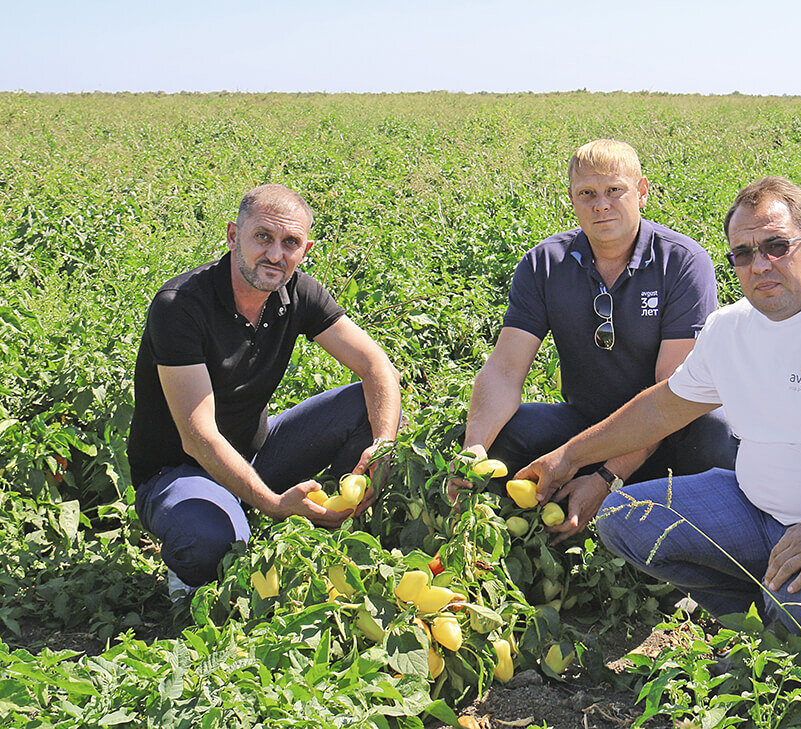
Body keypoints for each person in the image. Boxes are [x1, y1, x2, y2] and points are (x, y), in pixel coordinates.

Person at [518, 176, 801, 633]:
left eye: (777, 246)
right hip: (756, 509)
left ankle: (783, 619)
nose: (760, 265)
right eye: (743, 253)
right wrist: (569, 456)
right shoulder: (730, 328)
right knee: (623, 519)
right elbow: (662, 408)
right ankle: (755, 617)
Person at [457, 139, 737, 543]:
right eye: (587, 193)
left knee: (715, 435)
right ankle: (511, 537)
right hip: (588, 426)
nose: (600, 205)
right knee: (503, 433)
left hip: (670, 435)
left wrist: (607, 477)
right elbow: (504, 370)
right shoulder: (545, 264)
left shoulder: (681, 262)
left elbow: (672, 394)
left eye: (614, 190)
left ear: (642, 191)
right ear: (571, 199)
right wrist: (473, 451)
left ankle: (697, 542)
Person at [127, 184, 401, 591]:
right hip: (179, 470)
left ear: (305, 250)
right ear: (232, 235)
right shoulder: (181, 305)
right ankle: (203, 548)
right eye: (262, 237)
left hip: (255, 453)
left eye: (290, 243)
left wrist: (382, 447)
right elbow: (197, 437)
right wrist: (273, 505)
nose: (275, 254)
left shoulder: (298, 292)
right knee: (209, 544)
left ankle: (326, 534)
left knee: (371, 404)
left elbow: (378, 367)